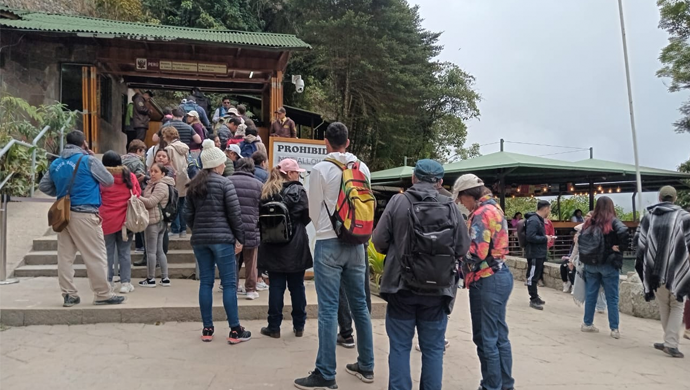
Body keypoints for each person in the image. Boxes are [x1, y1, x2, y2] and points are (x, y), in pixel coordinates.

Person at [372, 160, 469, 390]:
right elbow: (463, 248)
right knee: (433, 349)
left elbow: (378, 241)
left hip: (401, 286)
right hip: (438, 290)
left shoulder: (398, 201)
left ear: (414, 178)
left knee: (400, 347)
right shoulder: (452, 207)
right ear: (440, 182)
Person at [294, 122, 374, 389]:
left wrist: (326, 232)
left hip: (329, 243)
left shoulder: (320, 169)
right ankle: (366, 365)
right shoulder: (362, 168)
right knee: (360, 306)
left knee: (328, 310)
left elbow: (313, 210)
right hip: (357, 244)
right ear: (348, 142)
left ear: (325, 142)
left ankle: (326, 374)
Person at [38, 130, 125, 306]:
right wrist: (92, 157)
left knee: (65, 256)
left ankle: (69, 294)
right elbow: (108, 180)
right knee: (96, 255)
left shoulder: (56, 163)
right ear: (84, 143)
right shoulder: (88, 160)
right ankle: (102, 293)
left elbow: (44, 186)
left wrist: (63, 193)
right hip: (85, 213)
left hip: (63, 214)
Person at [184, 138, 250, 344]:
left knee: (206, 282)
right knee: (229, 284)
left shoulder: (193, 185)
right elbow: (235, 214)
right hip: (223, 240)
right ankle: (234, 330)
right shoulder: (225, 184)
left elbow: (187, 214)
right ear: (218, 165)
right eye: (223, 163)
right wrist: (240, 238)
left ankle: (207, 328)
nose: (224, 166)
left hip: (200, 239)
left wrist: (198, 229)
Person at [453, 174, 515, 390]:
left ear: (469, 194)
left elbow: (476, 252)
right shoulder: (495, 208)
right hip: (501, 274)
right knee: (499, 336)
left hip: (486, 279)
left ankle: (491, 385)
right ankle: (505, 384)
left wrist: (455, 255)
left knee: (486, 338)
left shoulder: (480, 214)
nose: (461, 203)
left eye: (461, 198)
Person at [258, 159, 312, 338]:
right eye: (297, 172)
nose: (299, 175)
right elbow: (306, 217)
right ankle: (299, 326)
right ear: (290, 174)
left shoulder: (268, 190)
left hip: (273, 245)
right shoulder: (299, 191)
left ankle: (273, 327)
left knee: (276, 287)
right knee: (297, 287)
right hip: (296, 245)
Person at [635, 186, 690, 358]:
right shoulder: (685, 217)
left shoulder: (648, 217)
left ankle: (669, 340)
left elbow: (639, 242)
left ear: (659, 198)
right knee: (677, 303)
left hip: (654, 271)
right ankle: (671, 343)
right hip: (678, 269)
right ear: (674, 198)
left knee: (664, 304)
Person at [580, 196, 628, 339]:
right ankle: (614, 329)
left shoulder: (589, 222)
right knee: (612, 297)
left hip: (591, 263)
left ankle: (587, 323)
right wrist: (620, 247)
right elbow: (624, 231)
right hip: (608, 263)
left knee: (591, 294)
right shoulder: (613, 221)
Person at [100, 151, 141, 294]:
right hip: (126, 220)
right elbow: (137, 194)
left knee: (107, 252)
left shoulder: (101, 177)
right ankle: (125, 283)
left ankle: (108, 281)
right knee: (125, 252)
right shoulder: (130, 176)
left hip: (106, 221)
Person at [228, 158, 263, 300]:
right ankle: (250, 289)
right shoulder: (259, 185)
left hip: (231, 228)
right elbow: (262, 207)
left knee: (233, 260)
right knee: (251, 260)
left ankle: (232, 287)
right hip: (251, 227)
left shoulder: (227, 181)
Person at [138, 163, 174, 288]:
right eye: (151, 171)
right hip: (159, 221)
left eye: (156, 171)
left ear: (163, 174)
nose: (152, 173)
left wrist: (137, 197)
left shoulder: (161, 186)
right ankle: (164, 278)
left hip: (154, 221)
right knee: (159, 250)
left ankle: (151, 278)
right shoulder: (155, 184)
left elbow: (151, 202)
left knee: (151, 251)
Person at [524, 200, 554, 310]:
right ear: (545, 208)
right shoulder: (534, 221)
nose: (549, 211)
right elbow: (530, 237)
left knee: (536, 275)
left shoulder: (538, 220)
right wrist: (544, 238)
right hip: (534, 253)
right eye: (549, 209)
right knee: (532, 276)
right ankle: (533, 298)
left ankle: (535, 296)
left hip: (539, 252)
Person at [162, 127, 191, 239]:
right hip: (184, 177)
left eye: (164, 135)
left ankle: (175, 229)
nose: (163, 137)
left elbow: (169, 163)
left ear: (168, 136)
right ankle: (183, 229)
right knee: (182, 204)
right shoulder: (184, 147)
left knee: (174, 205)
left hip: (174, 178)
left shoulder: (169, 149)